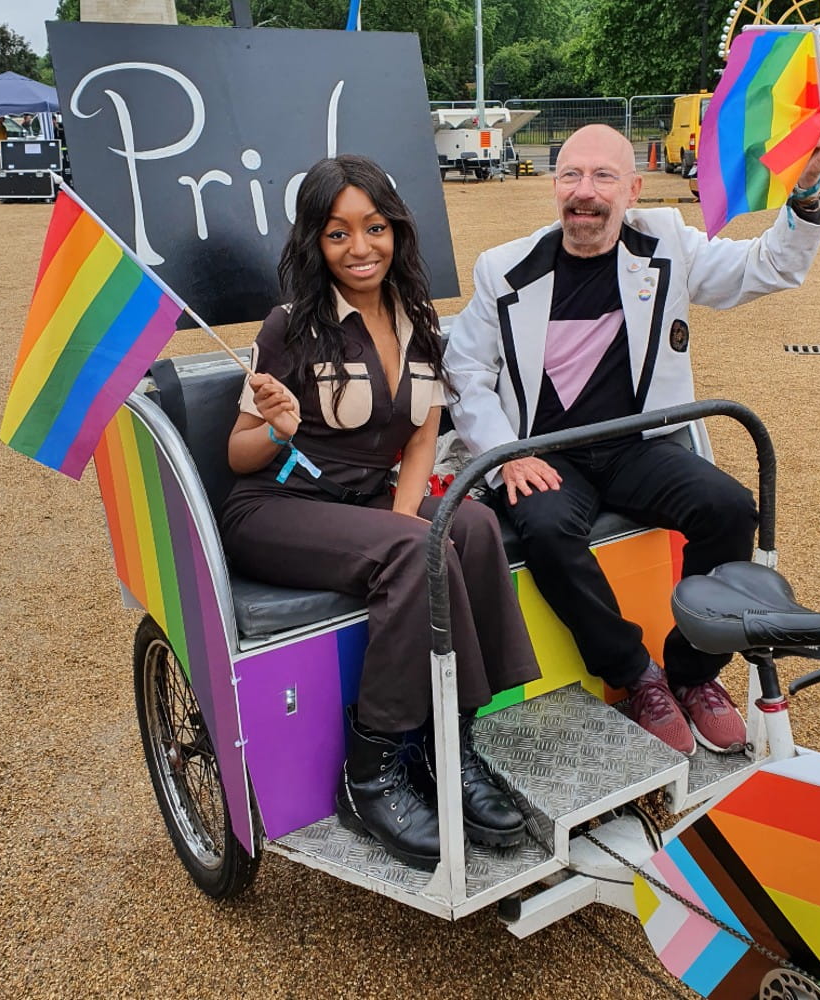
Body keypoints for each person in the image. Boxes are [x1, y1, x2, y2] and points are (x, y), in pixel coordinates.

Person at [445, 115, 820, 758]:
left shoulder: (666, 244)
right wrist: (505, 458)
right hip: (548, 453)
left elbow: (765, 267)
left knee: (729, 508)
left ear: (633, 190)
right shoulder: (504, 269)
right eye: (572, 174)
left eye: (604, 176)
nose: (586, 191)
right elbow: (463, 372)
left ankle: (691, 671)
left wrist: (804, 190)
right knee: (544, 528)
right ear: (555, 186)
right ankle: (634, 675)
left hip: (638, 442)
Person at [221, 154, 541, 870]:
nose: (359, 248)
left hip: (365, 503)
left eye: (374, 228)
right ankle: (368, 775)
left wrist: (407, 515)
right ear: (315, 242)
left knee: (474, 526)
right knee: (412, 553)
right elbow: (240, 455)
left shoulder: (420, 319)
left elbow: (424, 434)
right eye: (338, 234)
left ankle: (448, 744)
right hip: (277, 506)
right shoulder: (290, 327)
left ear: (396, 229)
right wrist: (276, 425)